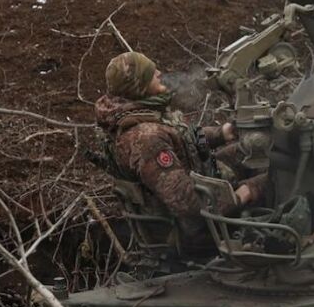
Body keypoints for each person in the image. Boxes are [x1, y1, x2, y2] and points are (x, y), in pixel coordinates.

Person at [96, 51, 263, 253]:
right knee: (271, 178)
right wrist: (242, 194)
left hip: (190, 205)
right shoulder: (147, 139)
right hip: (192, 231)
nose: (158, 72)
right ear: (136, 85)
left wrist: (221, 133)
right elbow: (186, 201)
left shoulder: (136, 118)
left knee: (250, 149)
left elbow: (179, 137)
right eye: (149, 72)